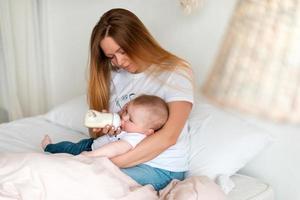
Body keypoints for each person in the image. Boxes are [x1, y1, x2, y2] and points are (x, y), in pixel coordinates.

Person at [83, 8, 194, 191]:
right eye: (111, 57)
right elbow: (118, 135)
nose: (119, 62)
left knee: (88, 180)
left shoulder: (175, 72)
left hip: (160, 167)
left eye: (123, 51)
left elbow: (168, 137)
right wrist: (108, 131)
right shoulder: (114, 78)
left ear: (138, 40)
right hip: (120, 156)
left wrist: (107, 163)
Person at [41, 94, 169, 159]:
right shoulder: (130, 126)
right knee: (69, 147)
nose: (124, 117)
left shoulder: (136, 137)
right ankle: (50, 147)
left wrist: (91, 155)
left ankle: (49, 147)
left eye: (130, 119)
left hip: (92, 150)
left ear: (148, 131)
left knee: (69, 149)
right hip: (92, 143)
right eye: (125, 111)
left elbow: (115, 149)